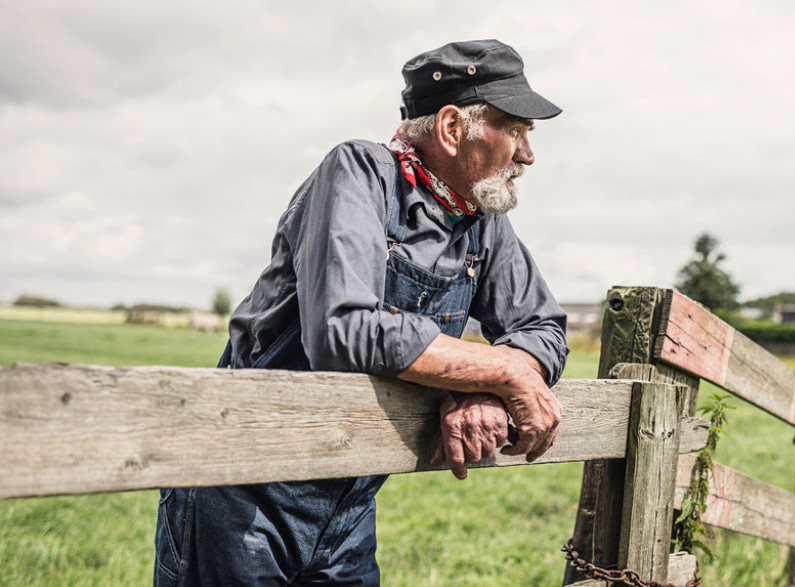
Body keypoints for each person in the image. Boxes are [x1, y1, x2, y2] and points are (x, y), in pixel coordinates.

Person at [154, 39, 569, 586]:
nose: (526, 154)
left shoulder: (479, 220)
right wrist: (502, 370)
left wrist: (477, 388)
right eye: (514, 129)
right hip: (243, 490)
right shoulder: (359, 173)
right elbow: (343, 329)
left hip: (350, 502)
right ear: (451, 128)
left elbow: (545, 329)